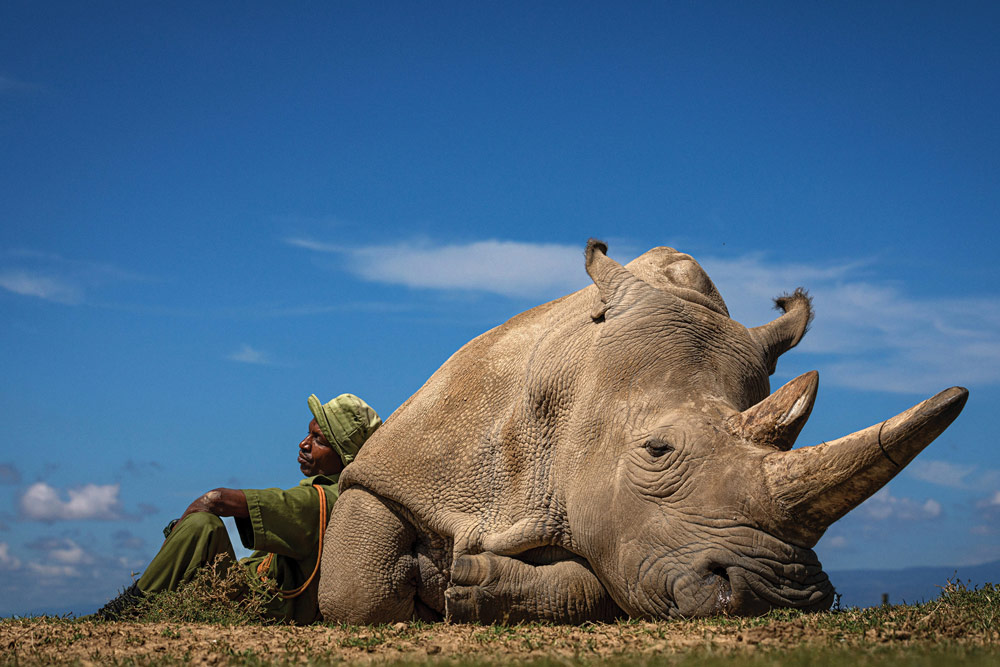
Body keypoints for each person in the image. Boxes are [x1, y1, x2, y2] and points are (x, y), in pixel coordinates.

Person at [95, 393, 381, 623]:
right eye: (308, 434)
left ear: (343, 456)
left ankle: (124, 612)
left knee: (202, 526)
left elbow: (219, 500)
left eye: (318, 440)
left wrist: (206, 506)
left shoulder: (325, 500)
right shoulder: (333, 495)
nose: (303, 444)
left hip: (263, 607)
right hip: (251, 592)